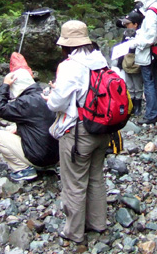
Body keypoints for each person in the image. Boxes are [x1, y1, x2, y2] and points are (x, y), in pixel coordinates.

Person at [45, 20, 111, 245]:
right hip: (103, 128)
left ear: (66, 45)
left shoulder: (70, 65)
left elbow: (57, 103)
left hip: (79, 131)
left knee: (74, 182)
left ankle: (74, 232)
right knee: (95, 177)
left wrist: (50, 95)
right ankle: (98, 223)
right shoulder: (100, 60)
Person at [0, 68, 59, 182]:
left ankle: (23, 169)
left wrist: (5, 85)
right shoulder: (45, 95)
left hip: (40, 158)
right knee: (14, 128)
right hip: (57, 156)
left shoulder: (25, 102)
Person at [130, 0, 157, 124]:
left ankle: (151, 114)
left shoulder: (150, 13)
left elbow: (150, 37)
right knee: (154, 82)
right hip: (154, 53)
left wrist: (135, 42)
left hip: (147, 53)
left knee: (148, 83)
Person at [115, 10, 145, 116]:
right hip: (126, 61)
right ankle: (131, 106)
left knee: (138, 86)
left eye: (128, 23)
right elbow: (122, 48)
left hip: (137, 62)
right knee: (130, 86)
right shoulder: (126, 33)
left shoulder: (141, 34)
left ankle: (138, 106)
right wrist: (119, 63)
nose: (126, 25)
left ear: (136, 24)